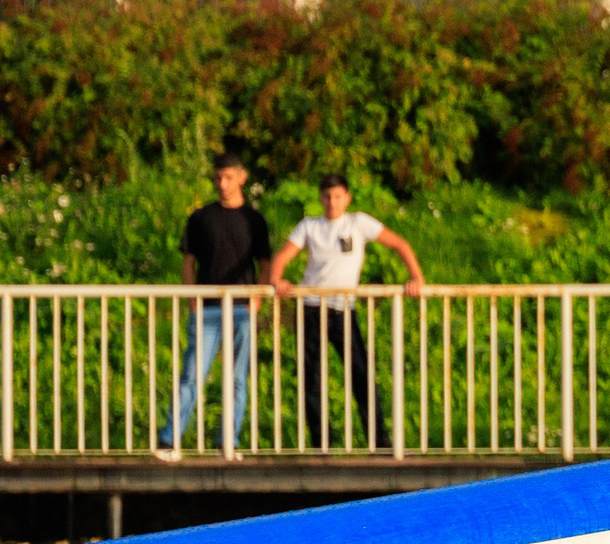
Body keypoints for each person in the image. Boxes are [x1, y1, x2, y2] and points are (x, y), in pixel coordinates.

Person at [268, 173, 428, 448]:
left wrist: (416, 277)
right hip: (311, 308)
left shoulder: (358, 222)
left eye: (337, 196)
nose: (332, 202)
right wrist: (277, 280)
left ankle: (379, 442)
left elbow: (400, 244)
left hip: (342, 308)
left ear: (347, 198)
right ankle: (322, 444)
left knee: (361, 374)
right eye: (327, 196)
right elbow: (282, 257)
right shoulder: (310, 226)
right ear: (320, 199)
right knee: (311, 378)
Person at [156, 153, 274, 461]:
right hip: (206, 309)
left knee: (236, 379)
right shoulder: (201, 217)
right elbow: (188, 262)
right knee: (192, 375)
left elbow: (265, 263)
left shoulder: (254, 220)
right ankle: (169, 440)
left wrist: (257, 299)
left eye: (228, 177)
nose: (222, 184)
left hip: (241, 310)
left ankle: (228, 444)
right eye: (218, 178)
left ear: (242, 178)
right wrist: (192, 299)